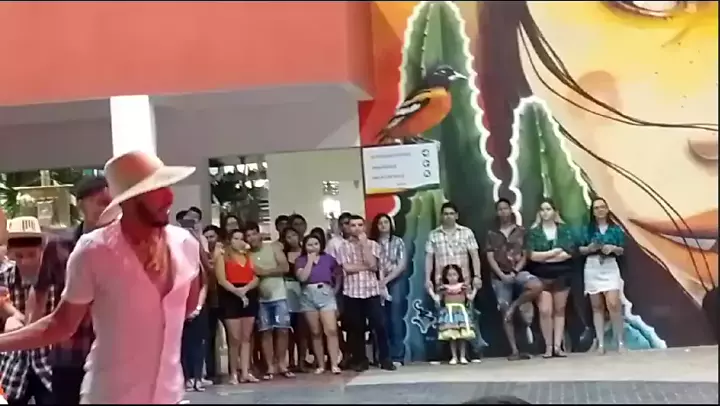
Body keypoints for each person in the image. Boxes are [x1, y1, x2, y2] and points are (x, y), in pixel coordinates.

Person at [0, 150, 205, 404]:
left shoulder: (185, 244)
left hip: (169, 395)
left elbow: (187, 307)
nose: (169, 197)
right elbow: (60, 325)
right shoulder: (94, 250)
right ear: (128, 200)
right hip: (110, 396)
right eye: (156, 189)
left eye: (167, 186)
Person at [28, 175, 110, 404]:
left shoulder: (121, 244)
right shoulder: (59, 245)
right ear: (81, 204)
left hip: (109, 351)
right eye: (100, 202)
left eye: (111, 203)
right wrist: (33, 336)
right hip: (69, 351)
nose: (106, 209)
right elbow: (40, 290)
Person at [0, 217, 58, 405]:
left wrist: (20, 321)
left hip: (48, 363)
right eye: (19, 256)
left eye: (32, 254)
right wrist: (10, 317)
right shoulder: (4, 277)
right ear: (10, 254)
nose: (25, 261)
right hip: (13, 365)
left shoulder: (57, 278)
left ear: (42, 250)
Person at [485, 198, 543, 360]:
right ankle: (514, 350)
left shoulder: (521, 231)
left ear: (511, 210)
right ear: (497, 212)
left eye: (505, 208)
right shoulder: (491, 234)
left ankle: (515, 306)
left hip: (518, 272)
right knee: (504, 308)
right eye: (500, 209)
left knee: (536, 285)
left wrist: (515, 271)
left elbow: (525, 254)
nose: (503, 212)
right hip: (499, 276)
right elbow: (490, 256)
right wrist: (502, 275)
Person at [337, 215, 396, 372]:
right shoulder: (343, 247)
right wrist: (365, 267)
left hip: (371, 291)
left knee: (379, 325)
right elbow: (347, 268)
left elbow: (374, 265)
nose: (356, 228)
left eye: (359, 225)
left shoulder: (373, 245)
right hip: (352, 292)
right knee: (356, 328)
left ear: (364, 227)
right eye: (353, 225)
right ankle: (360, 360)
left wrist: (364, 245)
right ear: (348, 228)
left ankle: (385, 358)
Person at [526, 199, 577, 358]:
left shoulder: (564, 230)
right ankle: (548, 347)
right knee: (545, 310)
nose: (545, 212)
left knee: (559, 310)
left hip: (562, 274)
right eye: (542, 209)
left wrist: (545, 257)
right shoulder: (534, 232)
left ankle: (557, 346)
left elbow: (568, 253)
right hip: (541, 276)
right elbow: (532, 256)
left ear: (555, 211)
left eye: (548, 209)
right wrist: (553, 253)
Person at [246, 222, 294, 380]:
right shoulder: (247, 254)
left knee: (282, 330)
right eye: (248, 236)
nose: (252, 238)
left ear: (259, 234)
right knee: (265, 331)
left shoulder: (273, 248)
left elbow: (285, 267)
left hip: (279, 295)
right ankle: (270, 366)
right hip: (260, 298)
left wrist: (264, 272)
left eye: (254, 234)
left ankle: (282, 364)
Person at [579, 197, 626, 354]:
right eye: (596, 208)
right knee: (597, 306)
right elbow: (579, 249)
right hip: (592, 266)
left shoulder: (615, 229)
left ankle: (620, 341)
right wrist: (590, 248)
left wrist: (613, 248)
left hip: (610, 265)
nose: (600, 210)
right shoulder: (587, 229)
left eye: (602, 207)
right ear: (592, 212)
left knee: (613, 303)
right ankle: (601, 343)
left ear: (607, 209)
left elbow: (622, 249)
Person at [214, 228, 259, 384]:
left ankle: (245, 371)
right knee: (234, 338)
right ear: (229, 240)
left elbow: (256, 277)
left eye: (241, 238)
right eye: (236, 238)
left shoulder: (248, 255)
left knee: (246, 337)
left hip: (249, 293)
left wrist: (246, 289)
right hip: (230, 295)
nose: (239, 241)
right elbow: (221, 279)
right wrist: (238, 292)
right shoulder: (223, 256)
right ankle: (233, 372)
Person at [295, 234, 342, 374]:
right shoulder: (301, 260)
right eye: (309, 244)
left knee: (331, 330)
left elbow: (339, 274)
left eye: (316, 244)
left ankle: (334, 364)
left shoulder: (328, 259)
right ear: (304, 246)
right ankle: (321, 364)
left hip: (326, 294)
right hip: (308, 296)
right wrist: (309, 261)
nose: (313, 247)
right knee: (315, 332)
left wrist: (335, 290)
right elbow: (302, 277)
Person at [369, 213, 407, 366]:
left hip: (395, 281)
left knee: (395, 318)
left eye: (386, 222)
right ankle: (382, 356)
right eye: (380, 223)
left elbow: (401, 264)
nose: (383, 225)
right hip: (376, 282)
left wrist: (386, 280)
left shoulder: (398, 241)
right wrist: (380, 281)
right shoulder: (372, 243)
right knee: (380, 320)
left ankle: (397, 356)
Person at [429, 264, 481, 365]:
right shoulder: (443, 289)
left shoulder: (463, 287)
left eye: (454, 274)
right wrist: (430, 290)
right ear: (445, 276)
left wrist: (475, 289)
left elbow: (470, 298)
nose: (452, 277)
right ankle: (454, 356)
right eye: (449, 275)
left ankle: (462, 356)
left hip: (461, 313)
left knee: (462, 336)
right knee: (452, 336)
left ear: (458, 275)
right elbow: (437, 299)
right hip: (449, 313)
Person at [280, 227, 308, 372]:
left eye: (294, 235)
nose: (292, 239)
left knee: (302, 330)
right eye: (288, 236)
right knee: (287, 329)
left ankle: (302, 360)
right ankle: (290, 360)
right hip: (286, 291)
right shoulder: (282, 254)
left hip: (303, 291)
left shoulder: (305, 252)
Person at [202, 224, 225, 382]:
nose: (210, 240)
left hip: (224, 296)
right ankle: (211, 371)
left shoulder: (224, 251)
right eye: (207, 237)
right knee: (209, 336)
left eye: (212, 236)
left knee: (233, 335)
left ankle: (238, 369)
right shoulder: (201, 252)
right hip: (208, 298)